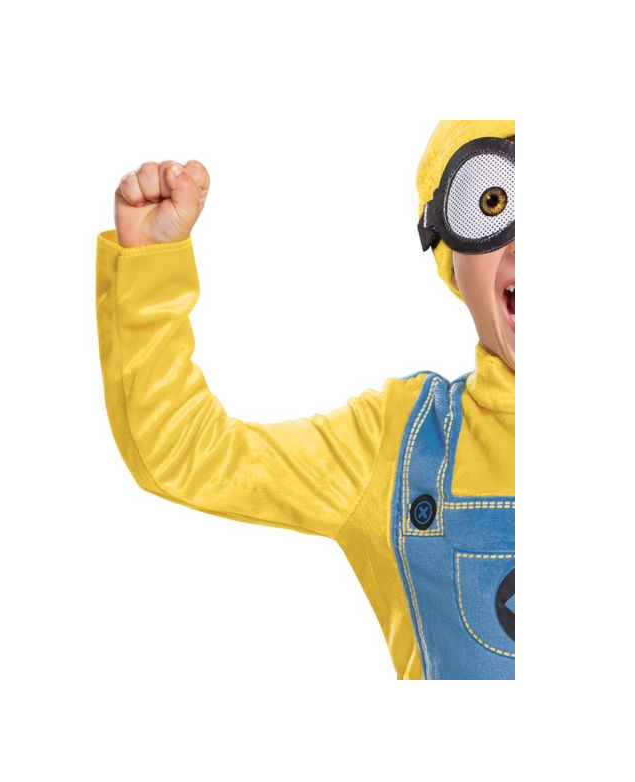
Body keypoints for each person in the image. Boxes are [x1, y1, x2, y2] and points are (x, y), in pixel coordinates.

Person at [95, 120, 515, 680]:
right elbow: (183, 451)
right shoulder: (402, 448)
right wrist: (149, 266)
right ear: (451, 257)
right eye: (493, 202)